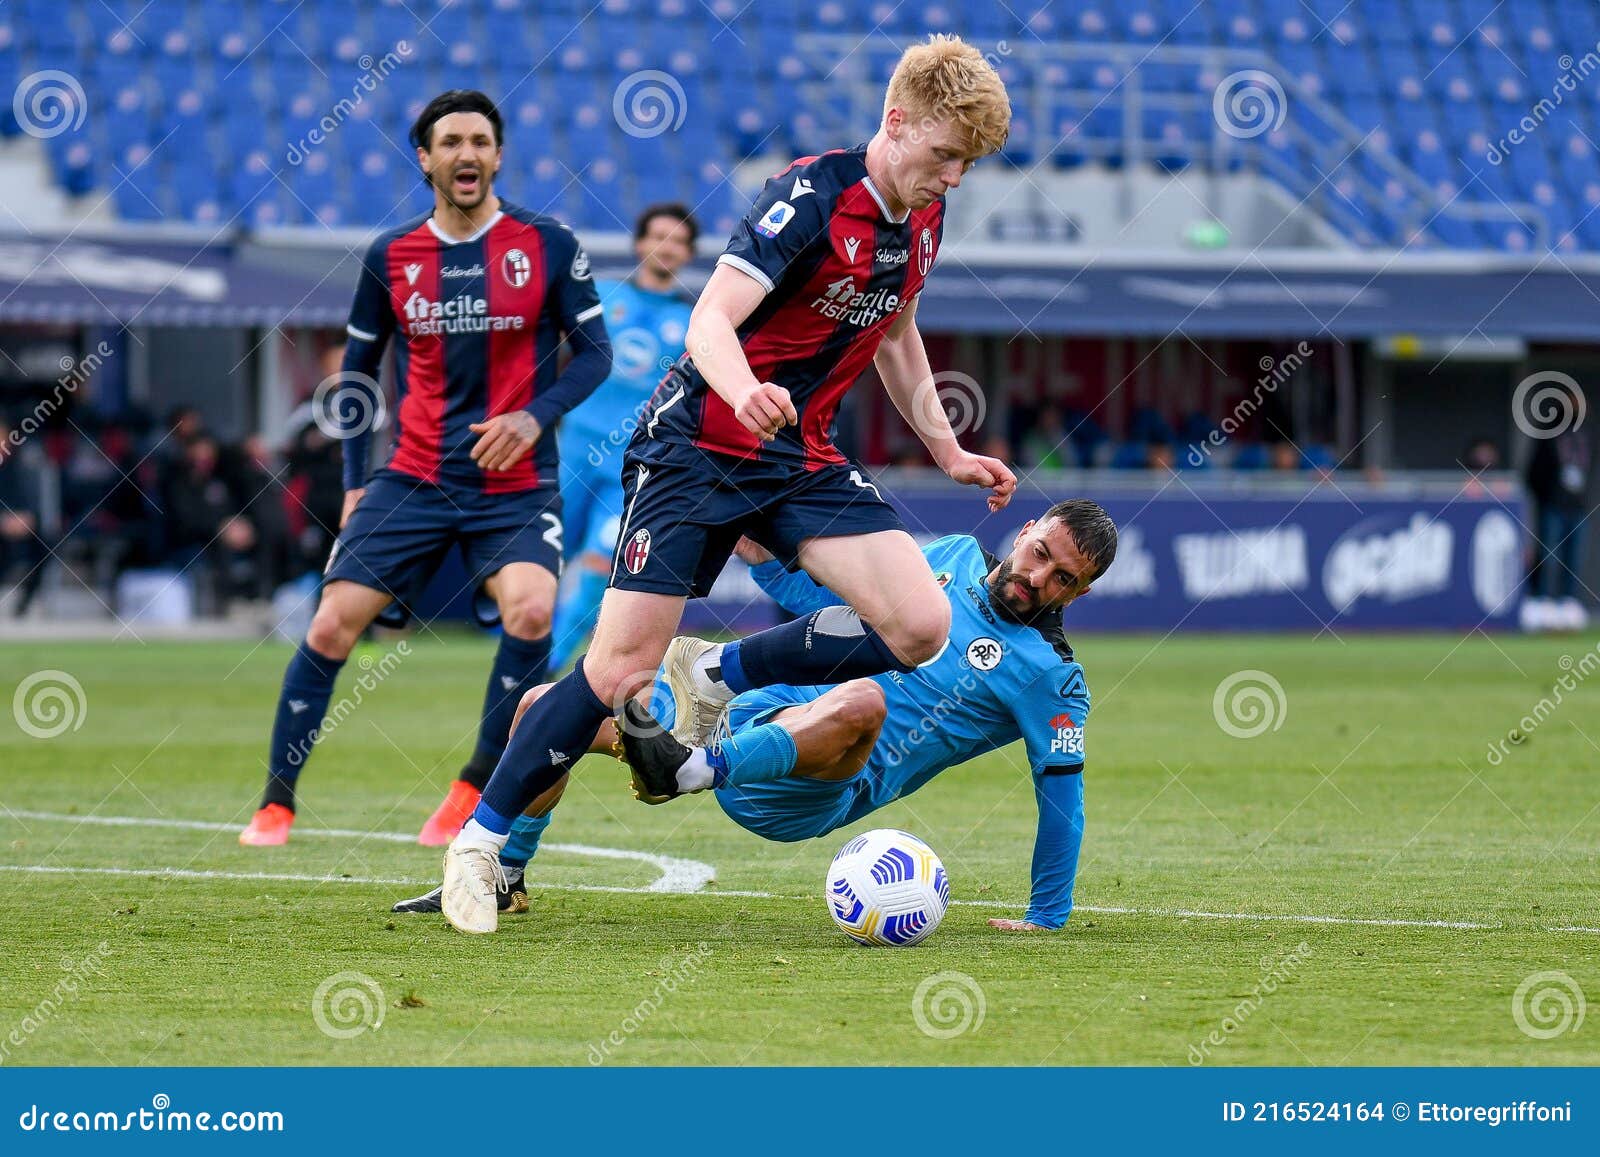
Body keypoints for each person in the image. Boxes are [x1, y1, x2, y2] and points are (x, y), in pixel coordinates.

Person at [438, 35, 1017, 934]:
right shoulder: (810, 198)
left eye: (968, 164)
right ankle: (478, 841)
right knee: (618, 671)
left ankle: (716, 671)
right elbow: (711, 317)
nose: (953, 177)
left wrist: (947, 450)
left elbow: (897, 334)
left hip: (797, 454)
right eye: (945, 155)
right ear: (896, 123)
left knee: (921, 622)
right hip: (698, 446)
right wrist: (744, 389)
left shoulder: (923, 219)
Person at [395, 501, 1115, 933]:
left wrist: (1045, 916)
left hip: (818, 776)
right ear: (1025, 530)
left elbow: (1065, 803)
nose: (1038, 576)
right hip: (750, 711)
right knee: (545, 707)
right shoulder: (951, 557)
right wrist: (766, 559)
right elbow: (836, 610)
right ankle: (505, 875)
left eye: (1063, 579)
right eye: (1040, 552)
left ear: (1077, 595)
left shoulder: (1052, 676)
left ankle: (689, 770)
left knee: (863, 699)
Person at [238, 89, 612, 847]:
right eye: (450, 142)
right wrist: (350, 485)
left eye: (479, 140)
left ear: (498, 154)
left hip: (515, 483)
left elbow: (597, 355)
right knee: (334, 622)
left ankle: (472, 788)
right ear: (426, 158)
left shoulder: (549, 242)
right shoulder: (391, 256)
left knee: (535, 611)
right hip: (412, 476)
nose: (466, 154)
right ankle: (275, 801)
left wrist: (533, 414)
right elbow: (357, 378)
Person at [549, 203, 698, 671]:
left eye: (678, 240)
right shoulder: (603, 295)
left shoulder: (695, 321)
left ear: (688, 253)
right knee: (548, 558)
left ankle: (548, 665)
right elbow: (558, 357)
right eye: (659, 236)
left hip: (633, 461)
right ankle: (523, 652)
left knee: (599, 564)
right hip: (574, 446)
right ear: (640, 243)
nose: (667, 246)